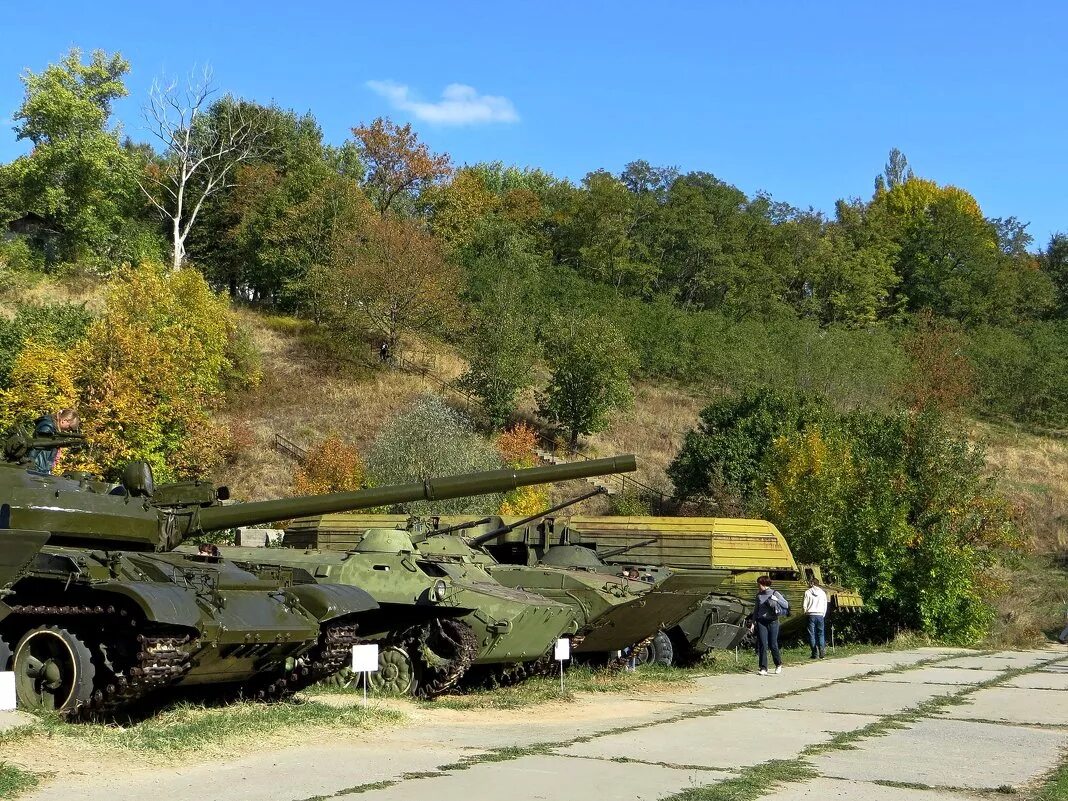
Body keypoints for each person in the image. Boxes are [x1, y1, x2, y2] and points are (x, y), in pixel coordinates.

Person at [749, 575, 789, 676]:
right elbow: (756, 610)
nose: (758, 586)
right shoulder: (759, 596)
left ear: (764, 584)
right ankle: (763, 668)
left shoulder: (775, 593)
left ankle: (778, 664)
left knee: (773, 644)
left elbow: (786, 605)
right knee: (762, 644)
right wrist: (753, 623)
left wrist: (777, 600)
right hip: (761, 621)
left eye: (759, 584)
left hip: (773, 621)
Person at [27, 408, 80, 474]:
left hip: (41, 468)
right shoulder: (47, 427)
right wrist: (30, 465)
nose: (68, 430)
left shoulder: (54, 429)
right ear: (64, 420)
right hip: (37, 468)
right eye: (69, 427)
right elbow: (36, 448)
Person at [803, 576, 829, 659]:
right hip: (820, 615)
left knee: (812, 634)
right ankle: (822, 651)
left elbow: (804, 605)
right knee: (821, 633)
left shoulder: (807, 592)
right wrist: (823, 614)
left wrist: (805, 612)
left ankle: (815, 653)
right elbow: (825, 605)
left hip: (811, 614)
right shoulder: (822, 593)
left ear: (812, 583)